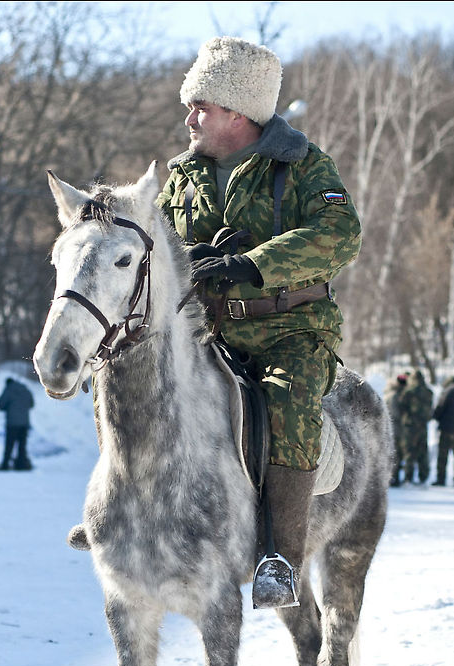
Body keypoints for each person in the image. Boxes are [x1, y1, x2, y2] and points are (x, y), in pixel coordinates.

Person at [155, 36, 362, 607]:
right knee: (134, 378)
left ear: (239, 113)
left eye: (202, 105)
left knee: (288, 399)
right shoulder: (180, 178)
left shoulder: (301, 166)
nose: (189, 116)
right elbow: (154, 253)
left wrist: (252, 263)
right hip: (206, 332)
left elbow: (339, 235)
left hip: (289, 330)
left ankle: (278, 557)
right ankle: (122, 514)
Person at [398, 369, 433, 485]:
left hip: (410, 426)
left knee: (409, 451)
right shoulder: (429, 392)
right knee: (423, 451)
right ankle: (424, 477)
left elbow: (401, 406)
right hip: (423, 426)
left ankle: (409, 477)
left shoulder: (409, 391)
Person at [0, 377, 34, 471]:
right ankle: (21, 465)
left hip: (12, 423)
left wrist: (8, 408)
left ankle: (5, 465)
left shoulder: (8, 389)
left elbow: (1, 404)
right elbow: (31, 404)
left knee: (9, 445)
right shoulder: (25, 389)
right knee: (22, 446)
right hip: (24, 423)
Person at [383, 373, 408, 487]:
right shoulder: (396, 395)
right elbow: (395, 413)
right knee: (396, 454)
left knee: (393, 453)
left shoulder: (389, 392)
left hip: (390, 427)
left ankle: (392, 477)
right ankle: (394, 478)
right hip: (396, 428)